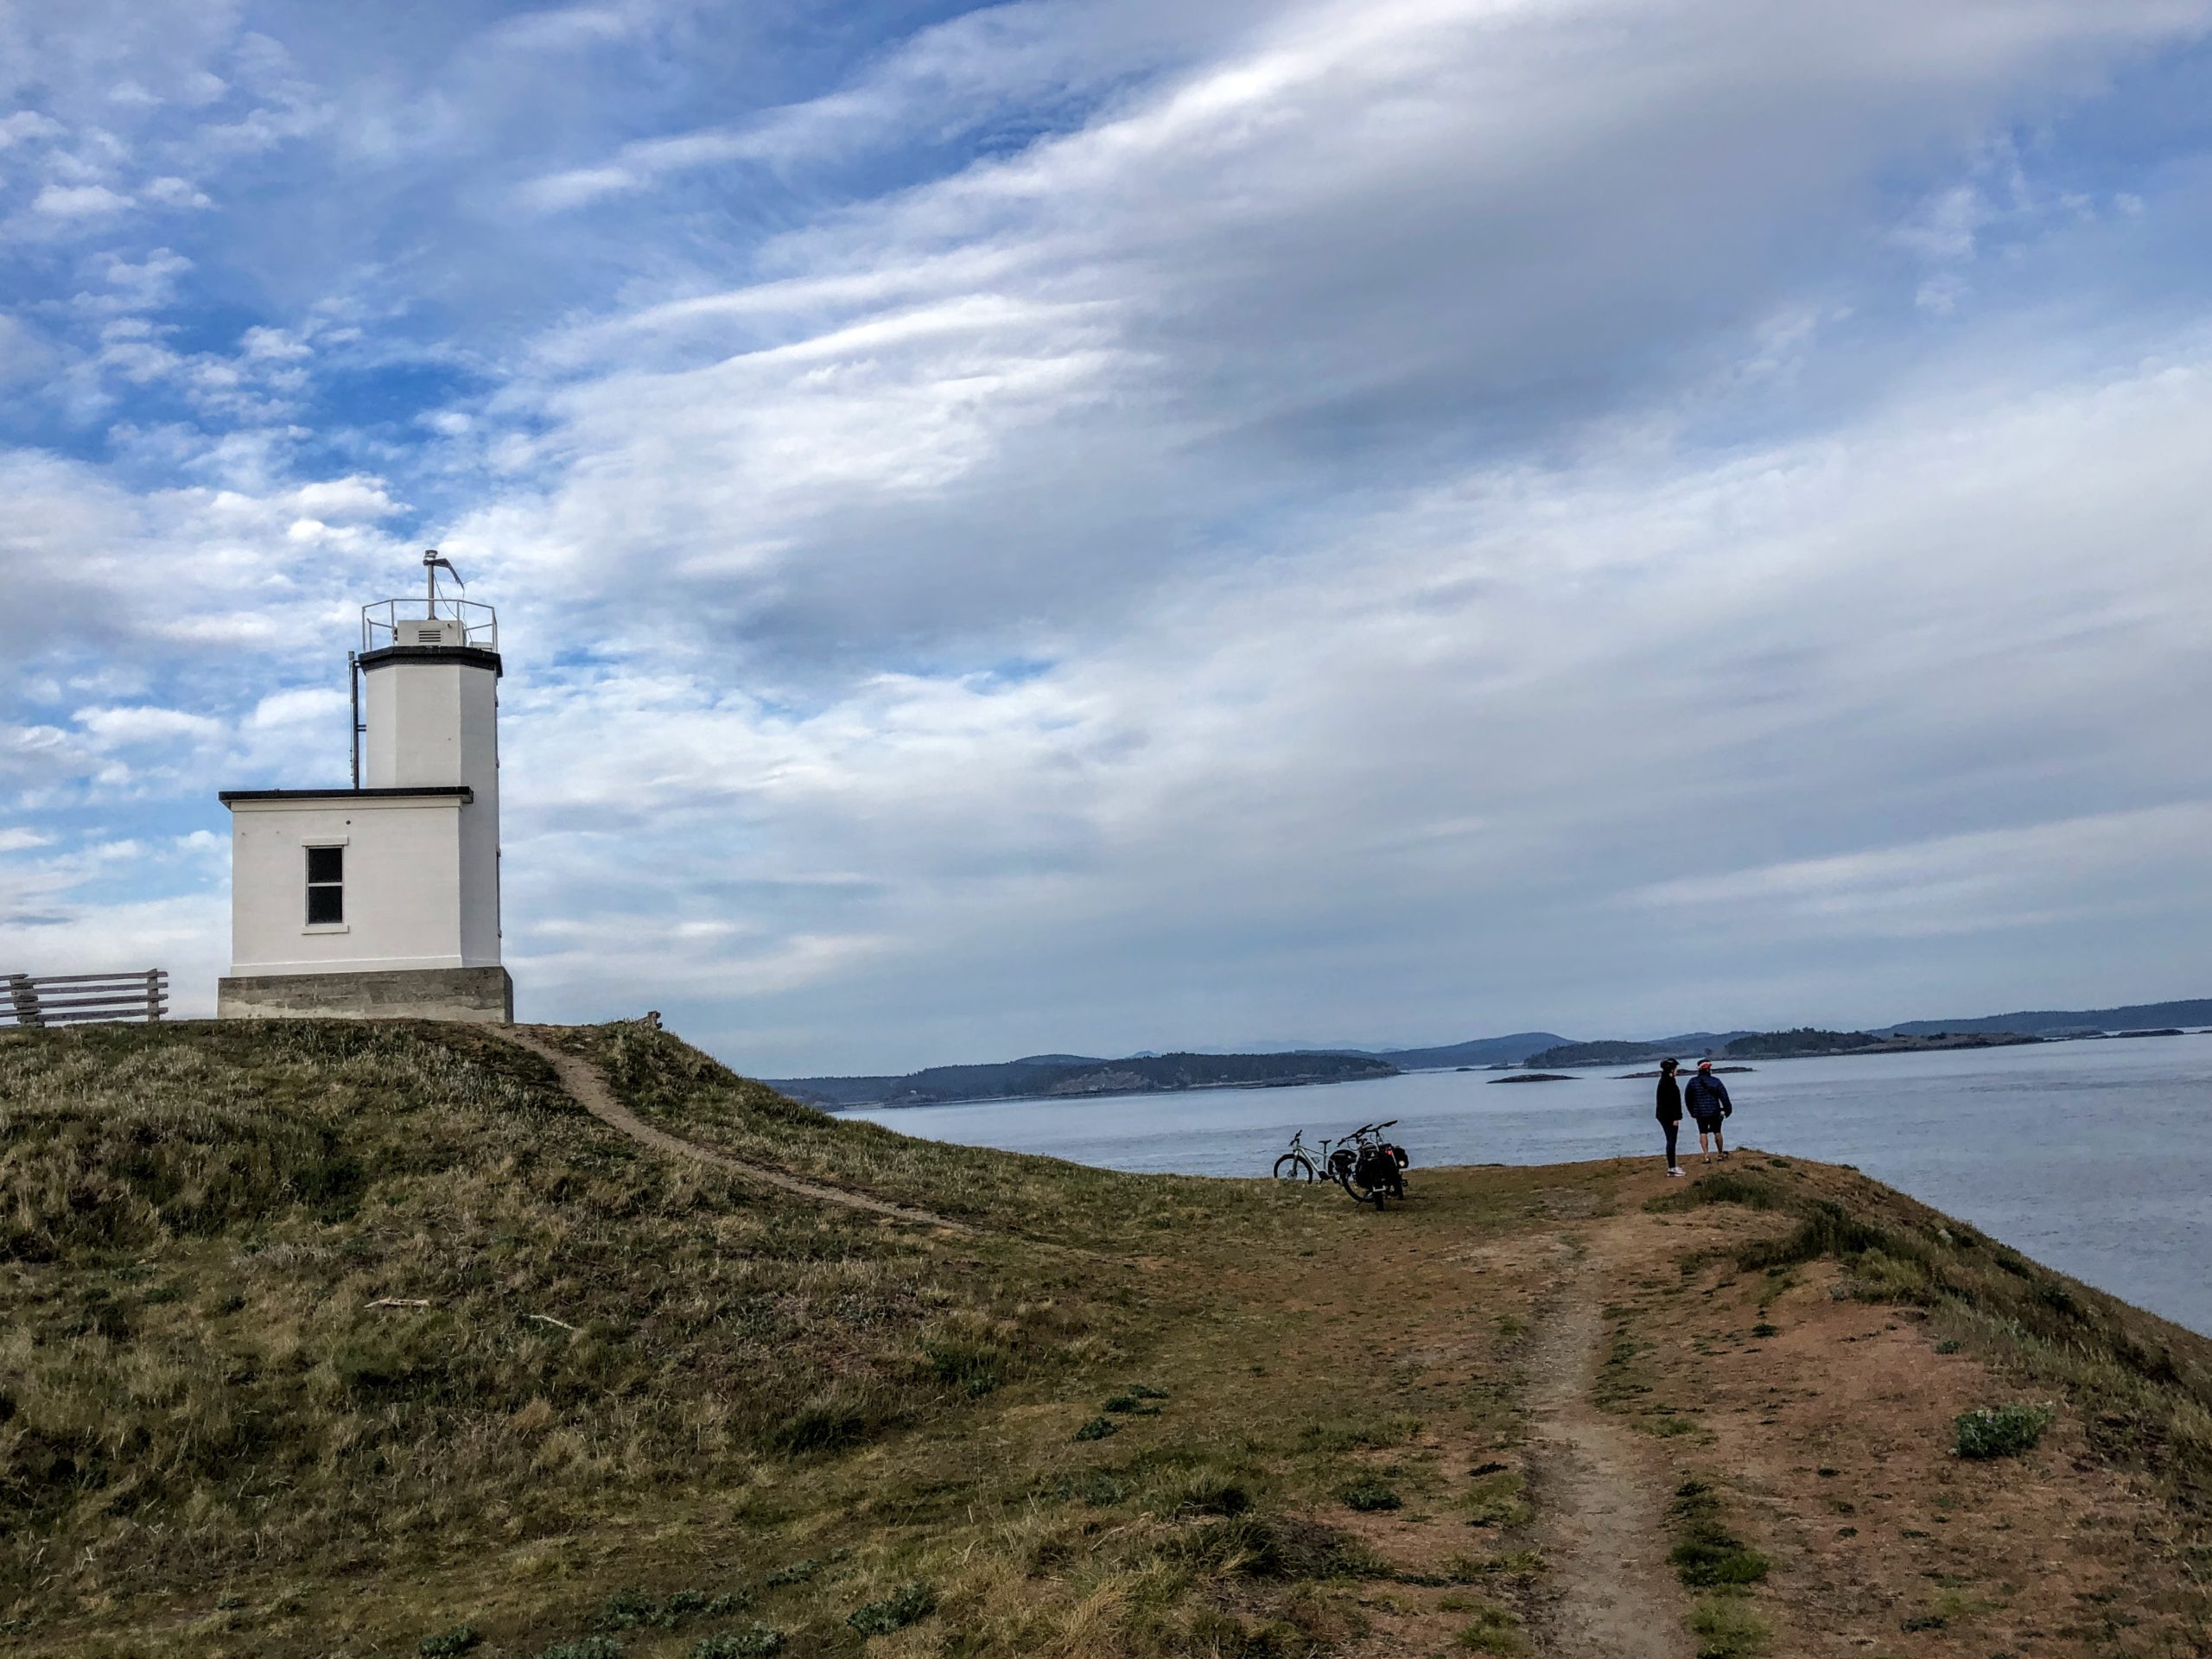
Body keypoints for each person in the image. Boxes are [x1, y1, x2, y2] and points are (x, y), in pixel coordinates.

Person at [1685, 1058, 1732, 1161]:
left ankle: (1706, 1156)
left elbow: (1687, 1098)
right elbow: (1724, 1097)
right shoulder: (1716, 1081)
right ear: (1708, 1069)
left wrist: (1692, 1111)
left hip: (1700, 1112)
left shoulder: (1693, 1082)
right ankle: (1720, 1154)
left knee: (1703, 1132)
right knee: (1717, 1131)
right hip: (1715, 1111)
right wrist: (1727, 1110)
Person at [1656, 1058, 1685, 1176]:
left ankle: (1672, 1167)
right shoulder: (1667, 1082)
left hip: (1665, 1116)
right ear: (1672, 1070)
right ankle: (1672, 1168)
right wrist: (1675, 1118)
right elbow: (1670, 1102)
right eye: (1676, 1068)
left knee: (1672, 1140)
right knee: (1671, 1141)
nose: (1677, 1070)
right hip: (1668, 1117)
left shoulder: (1667, 1080)